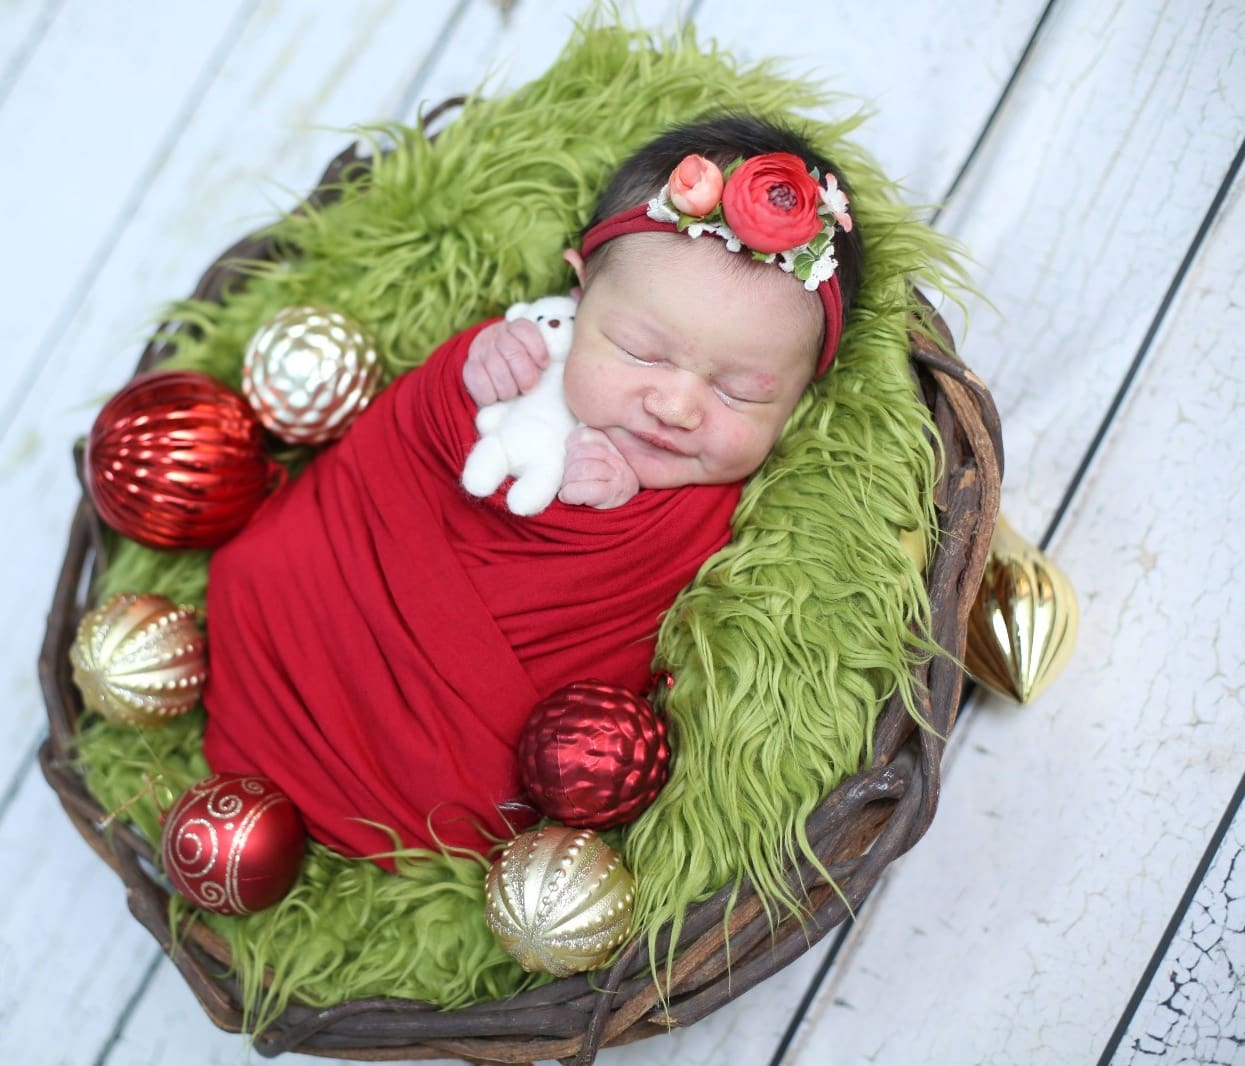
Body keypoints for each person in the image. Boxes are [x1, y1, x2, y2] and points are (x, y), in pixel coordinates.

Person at [201, 113, 863, 865]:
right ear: (577, 297)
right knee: (273, 565)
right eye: (640, 352)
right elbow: (404, 449)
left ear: (799, 397)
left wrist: (620, 512)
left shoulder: (735, 518)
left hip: (445, 779)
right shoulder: (523, 351)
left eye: (742, 394)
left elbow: (670, 648)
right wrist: (473, 372)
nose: (676, 408)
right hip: (303, 612)